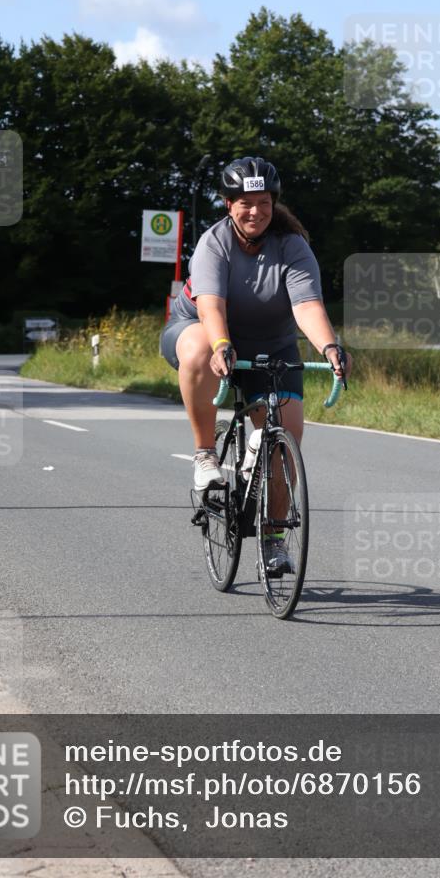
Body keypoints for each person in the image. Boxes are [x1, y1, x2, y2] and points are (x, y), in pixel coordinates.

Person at [160, 156, 353, 575]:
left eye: (263, 202)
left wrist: (329, 347)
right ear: (228, 204)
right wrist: (221, 343)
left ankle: (274, 540)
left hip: (272, 344)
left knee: (285, 443)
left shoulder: (292, 247)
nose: (255, 211)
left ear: (273, 202)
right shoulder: (214, 243)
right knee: (197, 348)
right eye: (245, 203)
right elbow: (211, 305)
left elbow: (307, 305)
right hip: (203, 330)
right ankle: (206, 455)